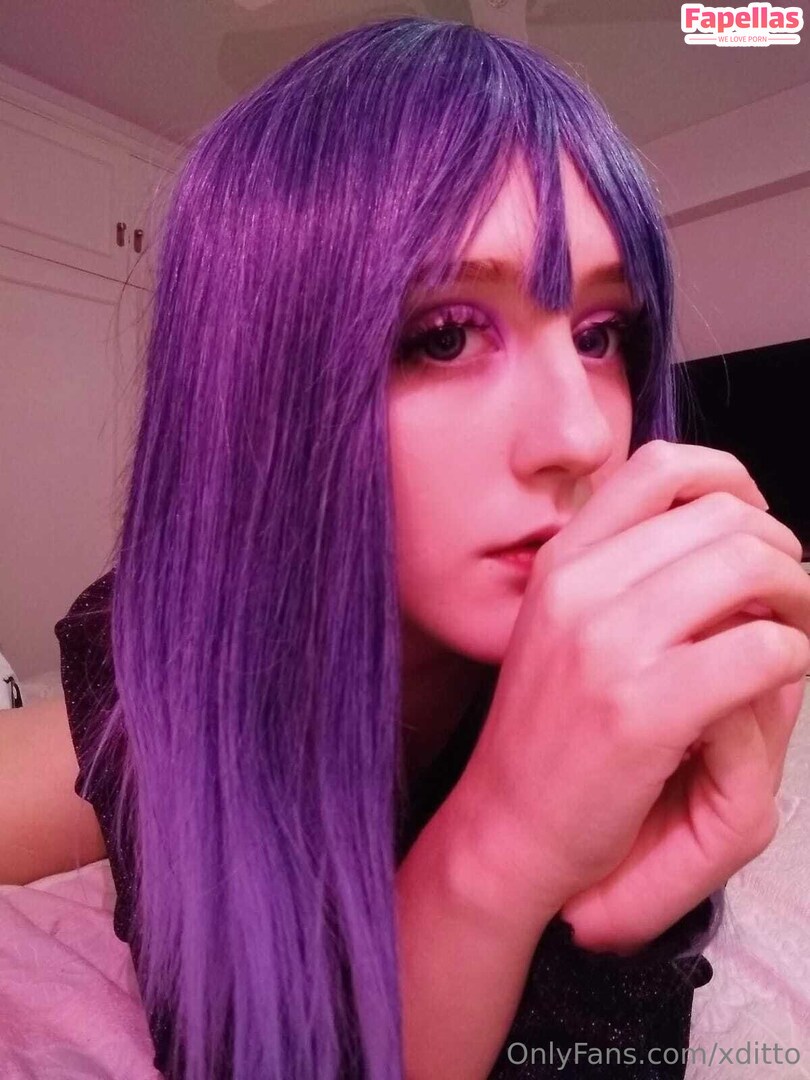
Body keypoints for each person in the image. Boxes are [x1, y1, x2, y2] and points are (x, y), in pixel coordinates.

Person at [25, 14, 810, 1080]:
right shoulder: (150, 653)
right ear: (260, 397)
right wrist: (501, 844)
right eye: (443, 335)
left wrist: (614, 917)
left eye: (600, 335)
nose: (582, 435)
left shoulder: (634, 671)